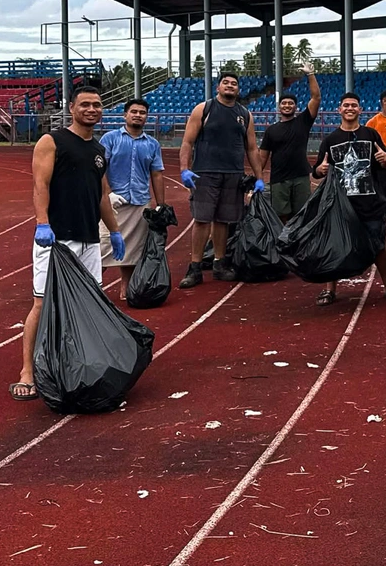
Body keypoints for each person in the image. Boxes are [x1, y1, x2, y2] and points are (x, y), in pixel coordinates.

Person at [15, 84, 122, 402]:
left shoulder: (99, 150)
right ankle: (27, 372)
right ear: (72, 107)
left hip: (90, 240)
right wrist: (42, 224)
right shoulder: (52, 141)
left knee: (90, 305)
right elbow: (40, 185)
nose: (92, 109)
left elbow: (102, 194)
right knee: (41, 303)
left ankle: (81, 364)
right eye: (86, 104)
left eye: (98, 104)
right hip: (57, 240)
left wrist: (114, 231)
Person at [314, 92, 386, 306]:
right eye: (345, 105)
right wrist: (320, 169)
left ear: (360, 110)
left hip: (370, 203)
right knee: (335, 246)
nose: (349, 108)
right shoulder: (330, 140)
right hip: (340, 205)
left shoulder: (371, 134)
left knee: (378, 246)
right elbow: (317, 171)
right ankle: (330, 290)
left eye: (354, 105)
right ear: (339, 110)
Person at [177, 72, 264, 288]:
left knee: (224, 220)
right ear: (218, 87)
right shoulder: (203, 109)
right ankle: (195, 267)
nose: (230, 86)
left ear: (238, 90)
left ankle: (219, 263)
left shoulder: (245, 114)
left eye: (234, 84)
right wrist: (184, 170)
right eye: (226, 82)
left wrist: (260, 178)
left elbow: (252, 148)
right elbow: (187, 142)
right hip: (204, 172)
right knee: (202, 219)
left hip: (233, 174)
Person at [98, 96, 168, 302]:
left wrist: (161, 205)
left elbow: (156, 174)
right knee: (103, 245)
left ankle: (126, 286)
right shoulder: (110, 139)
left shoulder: (152, 144)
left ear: (147, 117)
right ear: (125, 115)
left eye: (142, 113)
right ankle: (91, 286)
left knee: (133, 249)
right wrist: (108, 193)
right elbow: (100, 168)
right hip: (113, 202)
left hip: (140, 201)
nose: (138, 115)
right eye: (134, 112)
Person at [261, 62, 321, 221]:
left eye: (290, 103)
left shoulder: (303, 121)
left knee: (302, 214)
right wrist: (257, 178)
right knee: (281, 215)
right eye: (284, 103)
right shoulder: (271, 130)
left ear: (295, 106)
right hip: (278, 179)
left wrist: (310, 74)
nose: (287, 106)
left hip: (301, 176)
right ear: (279, 107)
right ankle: (284, 243)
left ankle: (300, 244)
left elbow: (316, 97)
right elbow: (262, 157)